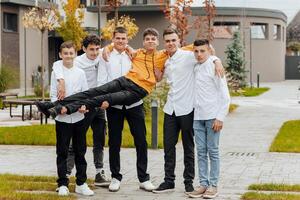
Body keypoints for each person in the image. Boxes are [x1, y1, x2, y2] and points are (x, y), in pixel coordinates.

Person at [35, 28, 167, 121]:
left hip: (137, 91)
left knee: (97, 99)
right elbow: (59, 64)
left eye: (153, 39)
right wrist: (61, 80)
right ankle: (52, 106)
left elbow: (179, 50)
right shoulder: (132, 52)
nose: (150, 41)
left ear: (158, 42)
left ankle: (57, 109)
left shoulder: (160, 55)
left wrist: (160, 75)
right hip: (125, 81)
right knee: (92, 92)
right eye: (148, 39)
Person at [152, 28, 223, 194]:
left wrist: (217, 61)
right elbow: (160, 77)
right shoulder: (166, 61)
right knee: (168, 147)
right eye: (167, 41)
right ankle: (168, 181)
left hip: (187, 109)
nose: (170, 43)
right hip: (170, 109)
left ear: (179, 41)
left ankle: (188, 183)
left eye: (173, 40)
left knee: (188, 148)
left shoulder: (189, 56)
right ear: (165, 42)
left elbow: (207, 54)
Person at [98, 26, 156, 192]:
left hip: (134, 104)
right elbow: (102, 80)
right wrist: (104, 99)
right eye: (118, 38)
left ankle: (144, 178)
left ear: (127, 40)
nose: (121, 41)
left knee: (141, 141)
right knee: (114, 142)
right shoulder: (106, 55)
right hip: (114, 105)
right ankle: (116, 177)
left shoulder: (135, 55)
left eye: (124, 39)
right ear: (113, 39)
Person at [52, 34, 110, 187]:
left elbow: (117, 46)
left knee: (99, 139)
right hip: (84, 105)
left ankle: (99, 172)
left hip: (99, 103)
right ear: (83, 49)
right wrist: (61, 80)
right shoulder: (76, 61)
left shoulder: (101, 56)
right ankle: (67, 171)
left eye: (97, 49)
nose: (95, 52)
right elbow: (58, 65)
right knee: (77, 140)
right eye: (91, 49)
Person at [188, 39, 230, 199]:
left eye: (202, 51)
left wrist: (220, 118)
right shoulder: (195, 67)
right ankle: (203, 184)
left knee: (213, 151)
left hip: (213, 117)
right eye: (196, 51)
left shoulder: (214, 67)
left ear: (209, 51)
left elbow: (225, 96)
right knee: (201, 152)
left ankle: (213, 185)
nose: (199, 54)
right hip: (197, 117)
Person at [51, 41, 94, 196]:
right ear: (60, 55)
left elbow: (85, 94)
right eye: (66, 53)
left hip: (78, 118)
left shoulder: (80, 73)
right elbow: (52, 96)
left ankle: (81, 183)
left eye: (71, 53)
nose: (69, 56)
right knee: (62, 151)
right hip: (62, 120)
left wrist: (83, 106)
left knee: (80, 150)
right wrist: (59, 108)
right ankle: (62, 183)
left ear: (75, 54)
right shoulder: (56, 73)